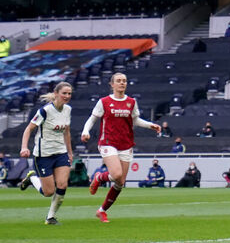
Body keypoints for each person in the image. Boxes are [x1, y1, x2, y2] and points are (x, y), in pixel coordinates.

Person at [81, 73, 162, 222]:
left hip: (125, 144)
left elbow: (135, 120)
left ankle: (102, 210)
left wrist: (150, 125)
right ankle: (99, 177)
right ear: (112, 84)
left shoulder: (131, 102)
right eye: (118, 81)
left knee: (120, 182)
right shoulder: (104, 102)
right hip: (108, 142)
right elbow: (92, 119)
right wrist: (86, 131)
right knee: (117, 174)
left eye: (124, 81)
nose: (122, 83)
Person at [17, 82, 74, 224]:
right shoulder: (45, 111)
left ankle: (50, 217)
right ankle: (32, 179)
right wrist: (24, 147)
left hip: (60, 153)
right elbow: (28, 129)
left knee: (62, 185)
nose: (67, 96)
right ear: (56, 93)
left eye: (69, 93)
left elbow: (67, 132)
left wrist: (69, 152)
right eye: (64, 93)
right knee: (48, 192)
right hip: (43, 155)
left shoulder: (67, 109)